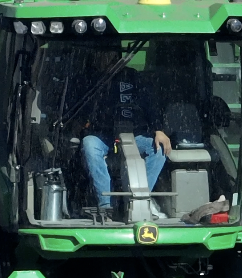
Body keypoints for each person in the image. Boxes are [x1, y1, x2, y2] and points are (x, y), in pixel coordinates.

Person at [72, 47, 172, 213]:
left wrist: (159, 130)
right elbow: (81, 110)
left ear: (116, 55)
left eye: (107, 53)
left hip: (136, 136)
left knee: (159, 149)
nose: (102, 57)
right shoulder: (89, 80)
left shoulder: (133, 76)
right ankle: (106, 205)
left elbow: (151, 105)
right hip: (103, 136)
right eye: (99, 53)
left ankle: (138, 202)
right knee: (89, 144)